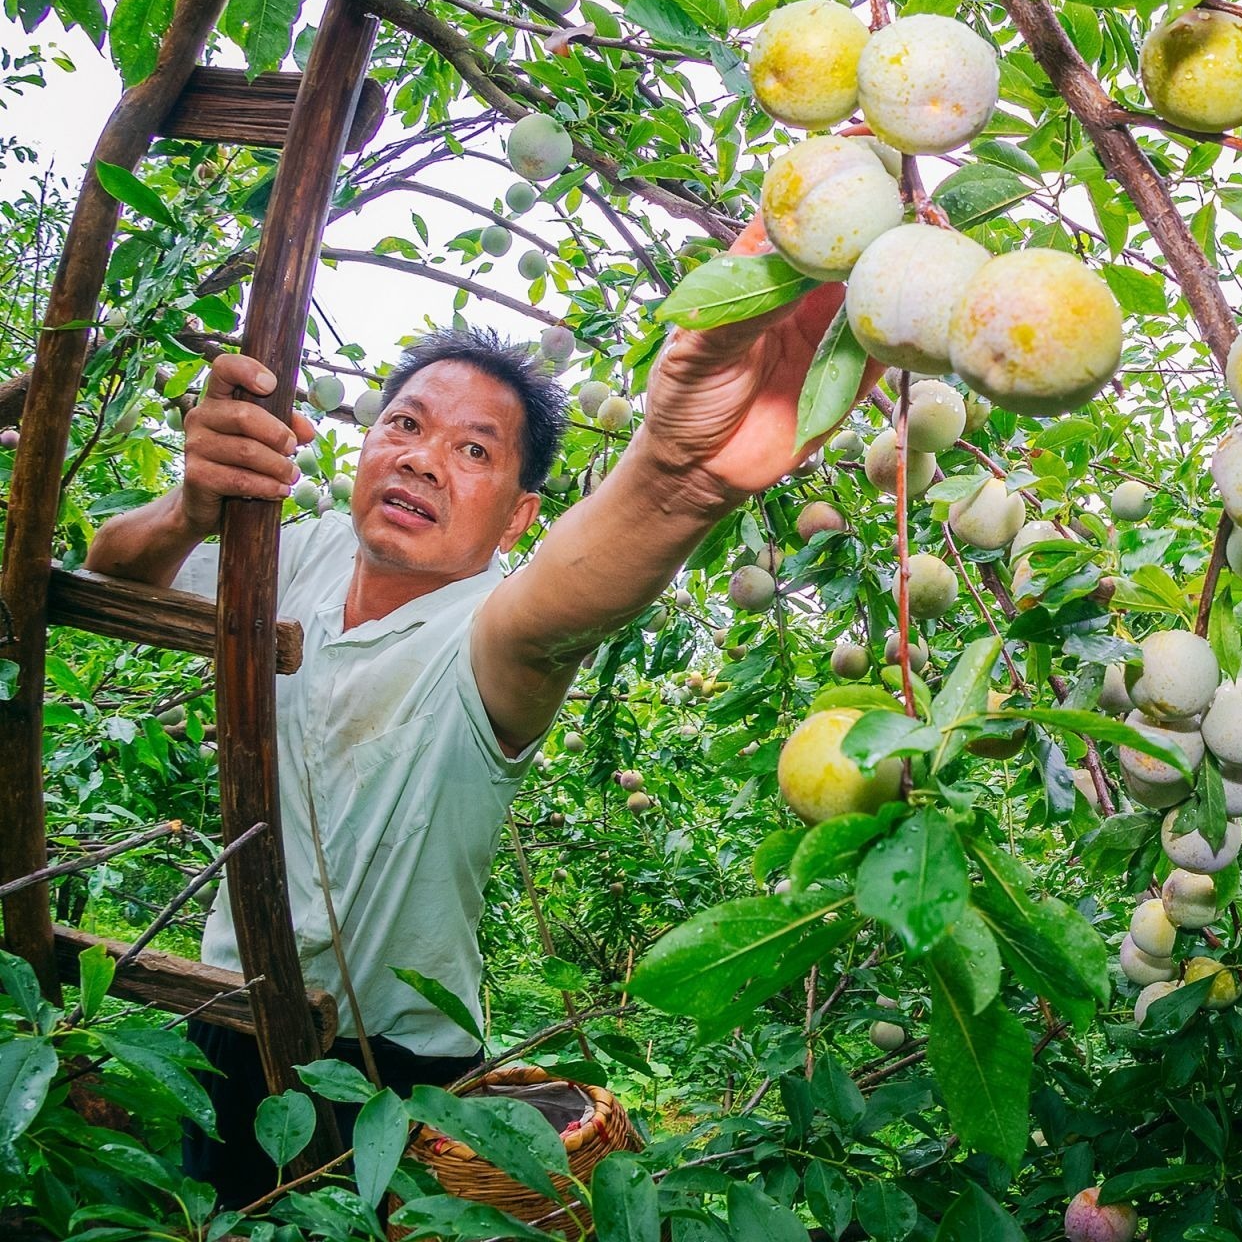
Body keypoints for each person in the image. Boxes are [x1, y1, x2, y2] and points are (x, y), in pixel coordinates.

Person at [84, 226, 874, 1205]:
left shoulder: (488, 628)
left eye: (472, 448)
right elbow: (113, 578)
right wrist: (191, 508)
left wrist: (680, 477)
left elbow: (558, 606)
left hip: (399, 1060)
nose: (421, 459)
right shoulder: (291, 550)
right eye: (404, 425)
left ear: (516, 518)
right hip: (228, 1007)